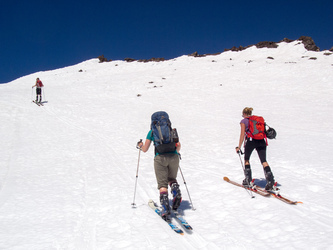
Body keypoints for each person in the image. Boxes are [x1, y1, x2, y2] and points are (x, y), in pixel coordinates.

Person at [137, 111, 182, 219]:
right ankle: (176, 191)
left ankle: (165, 209)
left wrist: (140, 145)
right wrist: (175, 152)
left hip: (160, 158)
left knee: (162, 184)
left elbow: (145, 149)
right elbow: (178, 146)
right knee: (171, 178)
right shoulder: (172, 130)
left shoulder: (152, 132)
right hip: (174, 157)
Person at [235, 107, 275, 190]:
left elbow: (242, 135)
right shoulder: (258, 120)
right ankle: (270, 181)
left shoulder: (244, 121)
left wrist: (239, 146)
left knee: (247, 159)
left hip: (251, 141)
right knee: (264, 161)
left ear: (244, 114)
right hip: (261, 141)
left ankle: (248, 180)